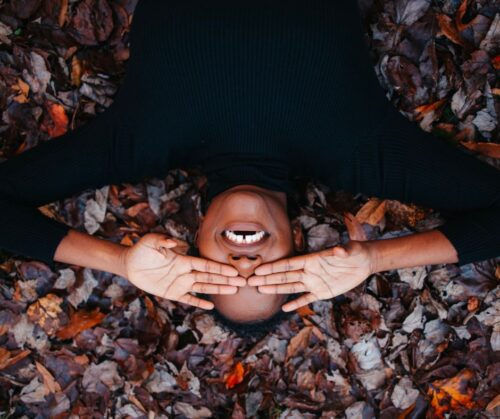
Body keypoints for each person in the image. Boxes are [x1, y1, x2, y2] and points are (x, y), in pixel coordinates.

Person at [1, 0, 498, 330]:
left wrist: (119, 262)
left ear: (191, 242)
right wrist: (374, 260)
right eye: (270, 277)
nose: (244, 265)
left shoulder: (137, 143)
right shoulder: (360, 153)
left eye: (219, 277)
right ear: (299, 245)